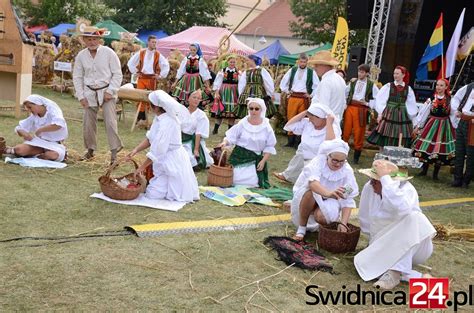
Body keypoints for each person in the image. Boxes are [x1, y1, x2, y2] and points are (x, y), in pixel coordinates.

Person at [355, 160, 436, 290]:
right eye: (372, 179)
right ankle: (415, 277)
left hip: (415, 247)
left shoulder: (407, 190)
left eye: (377, 180)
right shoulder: (369, 187)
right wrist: (374, 245)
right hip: (385, 243)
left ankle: (395, 272)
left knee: (414, 217)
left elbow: (402, 208)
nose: (372, 183)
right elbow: (365, 219)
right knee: (366, 264)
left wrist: (386, 180)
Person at [128, 90, 199, 202]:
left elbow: (158, 150)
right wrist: (135, 150)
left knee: (153, 194)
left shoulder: (168, 122)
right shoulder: (159, 118)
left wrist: (141, 167)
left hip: (173, 160)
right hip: (164, 158)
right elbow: (150, 138)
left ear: (156, 107)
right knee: (152, 192)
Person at [73, 26, 123, 164]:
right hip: (89, 92)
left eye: (94, 39)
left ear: (99, 40)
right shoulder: (81, 56)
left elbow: (117, 74)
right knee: (88, 123)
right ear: (84, 40)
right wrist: (81, 96)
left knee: (110, 122)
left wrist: (110, 91)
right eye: (89, 39)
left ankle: (114, 154)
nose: (92, 42)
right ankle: (90, 150)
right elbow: (77, 77)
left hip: (107, 91)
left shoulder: (109, 53)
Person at [291, 139, 359, 241]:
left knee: (323, 217)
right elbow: (313, 183)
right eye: (335, 160)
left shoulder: (347, 171)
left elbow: (347, 199)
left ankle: (323, 227)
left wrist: (344, 223)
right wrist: (329, 193)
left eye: (342, 161)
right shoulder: (318, 162)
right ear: (328, 156)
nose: (338, 164)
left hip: (332, 200)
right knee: (310, 193)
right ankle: (301, 228)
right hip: (313, 195)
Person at [273, 102, 340, 183]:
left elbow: (331, 143)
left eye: (313, 118)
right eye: (309, 117)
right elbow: (288, 127)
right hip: (304, 153)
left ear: (322, 118)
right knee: (299, 156)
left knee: (308, 181)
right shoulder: (308, 122)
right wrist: (305, 112)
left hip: (319, 159)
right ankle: (288, 176)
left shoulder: (331, 127)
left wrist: (329, 123)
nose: (310, 120)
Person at [217, 98, 277, 188]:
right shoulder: (243, 123)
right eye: (251, 108)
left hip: (255, 158)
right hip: (239, 156)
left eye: (257, 109)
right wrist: (224, 142)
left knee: (252, 183)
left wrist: (263, 161)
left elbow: (270, 146)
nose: (253, 111)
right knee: (234, 180)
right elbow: (231, 137)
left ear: (262, 110)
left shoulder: (266, 127)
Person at [412, 79, 456, 180]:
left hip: (445, 125)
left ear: (446, 87)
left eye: (441, 85)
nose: (438, 87)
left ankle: (435, 174)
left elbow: (453, 114)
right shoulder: (432, 99)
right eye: (437, 85)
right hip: (431, 124)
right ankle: (424, 170)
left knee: (440, 148)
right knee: (427, 146)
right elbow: (424, 113)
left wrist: (454, 125)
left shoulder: (450, 100)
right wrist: (418, 125)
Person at [2, 95, 68, 162]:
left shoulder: (52, 111)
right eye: (28, 108)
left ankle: (42, 155)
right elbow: (19, 128)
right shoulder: (34, 116)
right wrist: (24, 134)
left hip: (55, 144)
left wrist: (40, 130)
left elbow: (58, 125)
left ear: (38, 104)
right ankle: (7, 150)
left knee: (52, 155)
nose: (29, 110)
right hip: (40, 142)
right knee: (19, 150)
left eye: (30, 107)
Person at [367, 66, 417, 148]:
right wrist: (380, 113)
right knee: (385, 132)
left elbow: (411, 104)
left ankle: (396, 152)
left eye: (397, 73)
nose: (395, 75)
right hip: (389, 113)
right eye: (394, 73)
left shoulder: (408, 89)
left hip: (402, 115)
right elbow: (381, 100)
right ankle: (383, 153)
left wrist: (412, 118)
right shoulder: (388, 86)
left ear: (403, 75)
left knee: (401, 134)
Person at [127, 35, 170, 127]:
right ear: (148, 42)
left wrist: (161, 76)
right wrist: (135, 72)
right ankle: (140, 118)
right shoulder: (141, 53)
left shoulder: (158, 54)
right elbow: (131, 62)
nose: (154, 44)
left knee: (149, 99)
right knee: (140, 97)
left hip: (151, 79)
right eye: (152, 42)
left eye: (155, 42)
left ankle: (145, 120)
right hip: (142, 78)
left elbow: (166, 65)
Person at [279, 53, 319, 147]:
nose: (302, 63)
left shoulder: (311, 72)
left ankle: (298, 141)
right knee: (291, 118)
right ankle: (290, 141)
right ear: (298, 61)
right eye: (301, 61)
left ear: (307, 62)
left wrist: (311, 95)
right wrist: (287, 91)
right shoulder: (292, 70)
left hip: (304, 98)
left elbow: (317, 85)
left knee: (302, 119)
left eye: (304, 62)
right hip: (293, 97)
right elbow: (284, 82)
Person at [343, 64, 379, 164]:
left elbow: (378, 98)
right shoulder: (353, 82)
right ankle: (342, 154)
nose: (360, 74)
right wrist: (345, 104)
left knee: (359, 133)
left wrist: (367, 103)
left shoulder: (371, 85)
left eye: (362, 72)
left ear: (367, 73)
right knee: (346, 131)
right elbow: (345, 93)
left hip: (361, 110)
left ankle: (356, 158)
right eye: (359, 71)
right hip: (350, 108)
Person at [309, 50, 347, 119]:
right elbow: (343, 104)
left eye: (316, 65)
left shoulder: (326, 82)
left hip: (325, 124)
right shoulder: (340, 79)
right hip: (335, 123)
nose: (314, 68)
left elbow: (323, 108)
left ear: (324, 65)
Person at [181, 90, 213, 170]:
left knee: (188, 159)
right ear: (188, 99)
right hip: (180, 140)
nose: (196, 100)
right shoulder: (182, 111)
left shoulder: (201, 115)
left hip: (193, 141)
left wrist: (195, 150)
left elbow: (198, 133)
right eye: (194, 97)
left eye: (198, 98)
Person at [450, 82, 474, 188]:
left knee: (471, 154)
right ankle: (457, 179)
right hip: (463, 121)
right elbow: (456, 98)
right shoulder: (469, 86)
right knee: (459, 151)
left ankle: (466, 180)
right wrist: (457, 110)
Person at [211, 55, 240, 134]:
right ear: (228, 62)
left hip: (234, 93)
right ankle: (215, 129)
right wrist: (217, 92)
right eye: (231, 62)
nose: (232, 63)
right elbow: (217, 82)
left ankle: (229, 131)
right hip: (223, 92)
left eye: (234, 62)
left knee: (232, 113)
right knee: (220, 111)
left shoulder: (238, 72)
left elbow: (241, 84)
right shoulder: (222, 71)